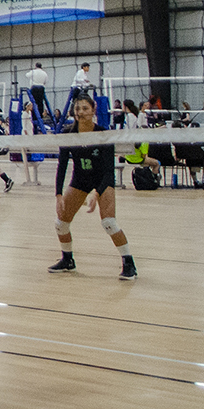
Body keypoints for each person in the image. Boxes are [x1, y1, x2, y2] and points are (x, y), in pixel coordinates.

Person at [50, 96, 136, 279]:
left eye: (85, 108)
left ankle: (129, 264)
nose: (81, 112)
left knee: (109, 223)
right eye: (77, 109)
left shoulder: (103, 135)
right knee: (61, 223)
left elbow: (108, 171)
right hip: (81, 180)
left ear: (93, 110)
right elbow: (62, 164)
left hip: (102, 181)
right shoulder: (68, 134)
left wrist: (97, 193)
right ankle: (68, 260)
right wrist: (58, 194)